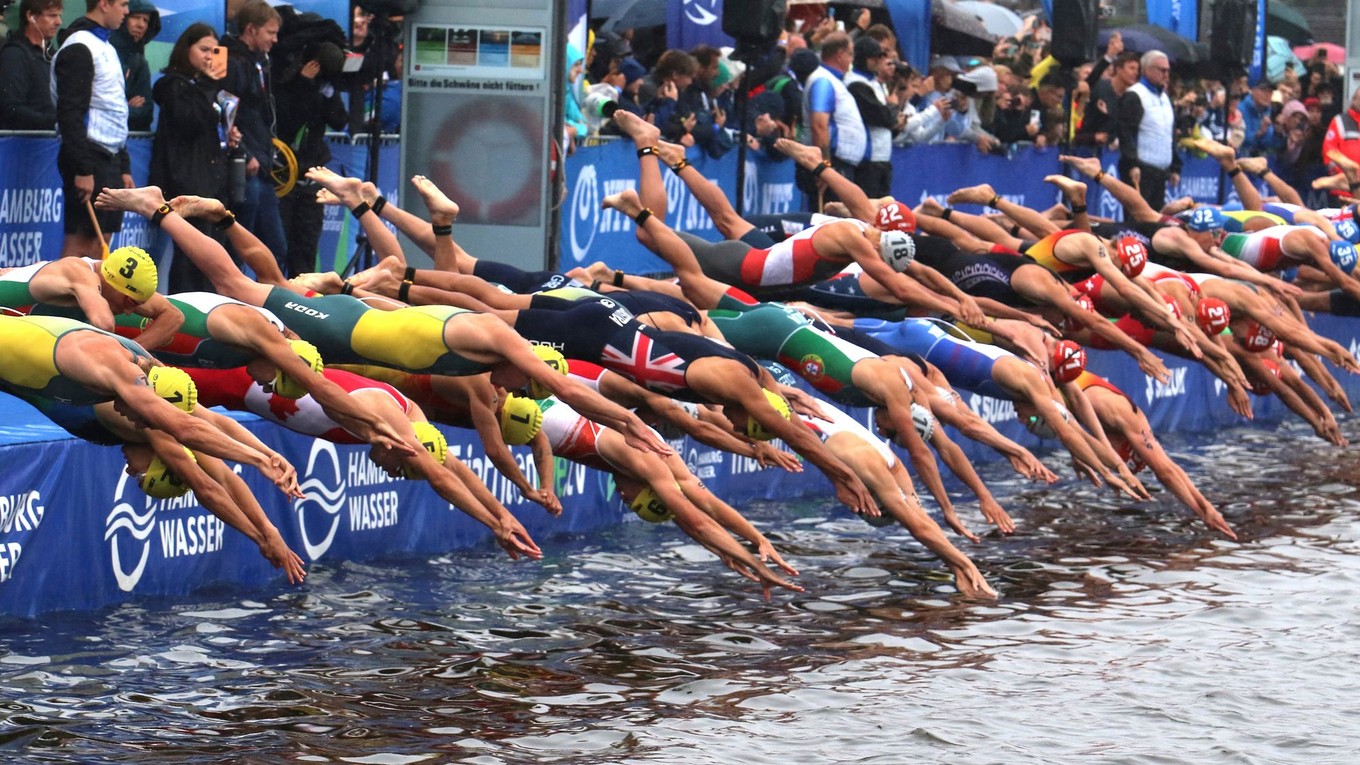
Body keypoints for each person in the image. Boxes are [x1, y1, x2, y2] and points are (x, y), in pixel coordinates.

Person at [0, 313, 300, 495]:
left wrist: (269, 454)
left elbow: (211, 421)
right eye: (148, 416)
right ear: (146, 397)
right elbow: (189, 434)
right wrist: (259, 461)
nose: (140, 424)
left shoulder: (144, 364)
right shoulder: (117, 372)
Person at [150, 23, 235, 294]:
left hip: (212, 177)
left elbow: (209, 122)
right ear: (187, 49)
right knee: (191, 254)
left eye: (214, 51)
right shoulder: (173, 84)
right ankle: (185, 307)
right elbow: (189, 121)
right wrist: (208, 85)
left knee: (212, 252)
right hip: (185, 179)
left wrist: (229, 133)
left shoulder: (210, 88)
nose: (209, 56)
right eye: (203, 49)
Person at [52, 0, 132, 260]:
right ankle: (62, 289)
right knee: (81, 244)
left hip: (109, 156)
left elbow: (114, 108)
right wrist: (82, 168)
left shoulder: (106, 45)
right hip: (89, 154)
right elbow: (70, 112)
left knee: (102, 242)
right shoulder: (79, 46)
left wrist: (123, 166)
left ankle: (92, 289)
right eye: (123, 4)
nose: (127, 11)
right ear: (104, 4)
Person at [0, 245, 183, 350]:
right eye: (129, 303)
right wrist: (132, 357)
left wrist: (134, 348)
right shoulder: (80, 274)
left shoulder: (117, 282)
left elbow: (174, 316)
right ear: (113, 283)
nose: (129, 312)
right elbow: (104, 324)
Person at [274, 33, 348, 277]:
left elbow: (339, 120)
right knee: (279, 243)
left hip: (311, 173)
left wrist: (327, 92)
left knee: (306, 244)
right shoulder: (288, 83)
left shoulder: (326, 88)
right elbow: (289, 121)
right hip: (285, 173)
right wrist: (303, 84)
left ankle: (304, 290)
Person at [220, 0, 287, 269]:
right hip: (246, 166)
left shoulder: (259, 63)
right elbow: (227, 115)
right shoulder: (232, 64)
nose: (275, 40)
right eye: (270, 33)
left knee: (276, 248)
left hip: (262, 163)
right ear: (251, 30)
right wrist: (243, 153)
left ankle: (274, 294)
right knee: (240, 246)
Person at [1116, 50, 1180, 211]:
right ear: (1147, 70)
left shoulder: (1165, 98)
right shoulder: (1135, 95)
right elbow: (1126, 132)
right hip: (1141, 170)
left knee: (1156, 218)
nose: (1166, 75)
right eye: (1162, 70)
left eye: (1168, 71)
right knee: (1137, 218)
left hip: (1161, 171)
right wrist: (1132, 164)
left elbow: (1169, 134)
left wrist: (1175, 167)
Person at [804, 32, 866, 194]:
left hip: (839, 164)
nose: (852, 59)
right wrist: (823, 167)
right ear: (839, 55)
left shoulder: (832, 80)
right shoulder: (823, 81)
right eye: (850, 54)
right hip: (833, 164)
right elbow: (819, 125)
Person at [843, 35, 896, 198]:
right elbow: (881, 116)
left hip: (881, 156)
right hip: (868, 158)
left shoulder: (873, 83)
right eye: (874, 58)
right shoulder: (856, 84)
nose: (878, 61)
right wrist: (893, 108)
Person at [0, 0, 63, 130]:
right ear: (31, 16)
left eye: (59, 15)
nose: (58, 22)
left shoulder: (54, 56)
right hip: (28, 139)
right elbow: (10, 108)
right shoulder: (15, 55)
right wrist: (56, 122)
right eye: (52, 15)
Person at [108, 0, 157, 131]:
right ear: (123, 18)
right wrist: (126, 107)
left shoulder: (139, 61)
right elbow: (102, 108)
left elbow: (146, 113)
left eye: (146, 20)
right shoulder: (104, 50)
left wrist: (121, 109)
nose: (141, 25)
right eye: (135, 17)